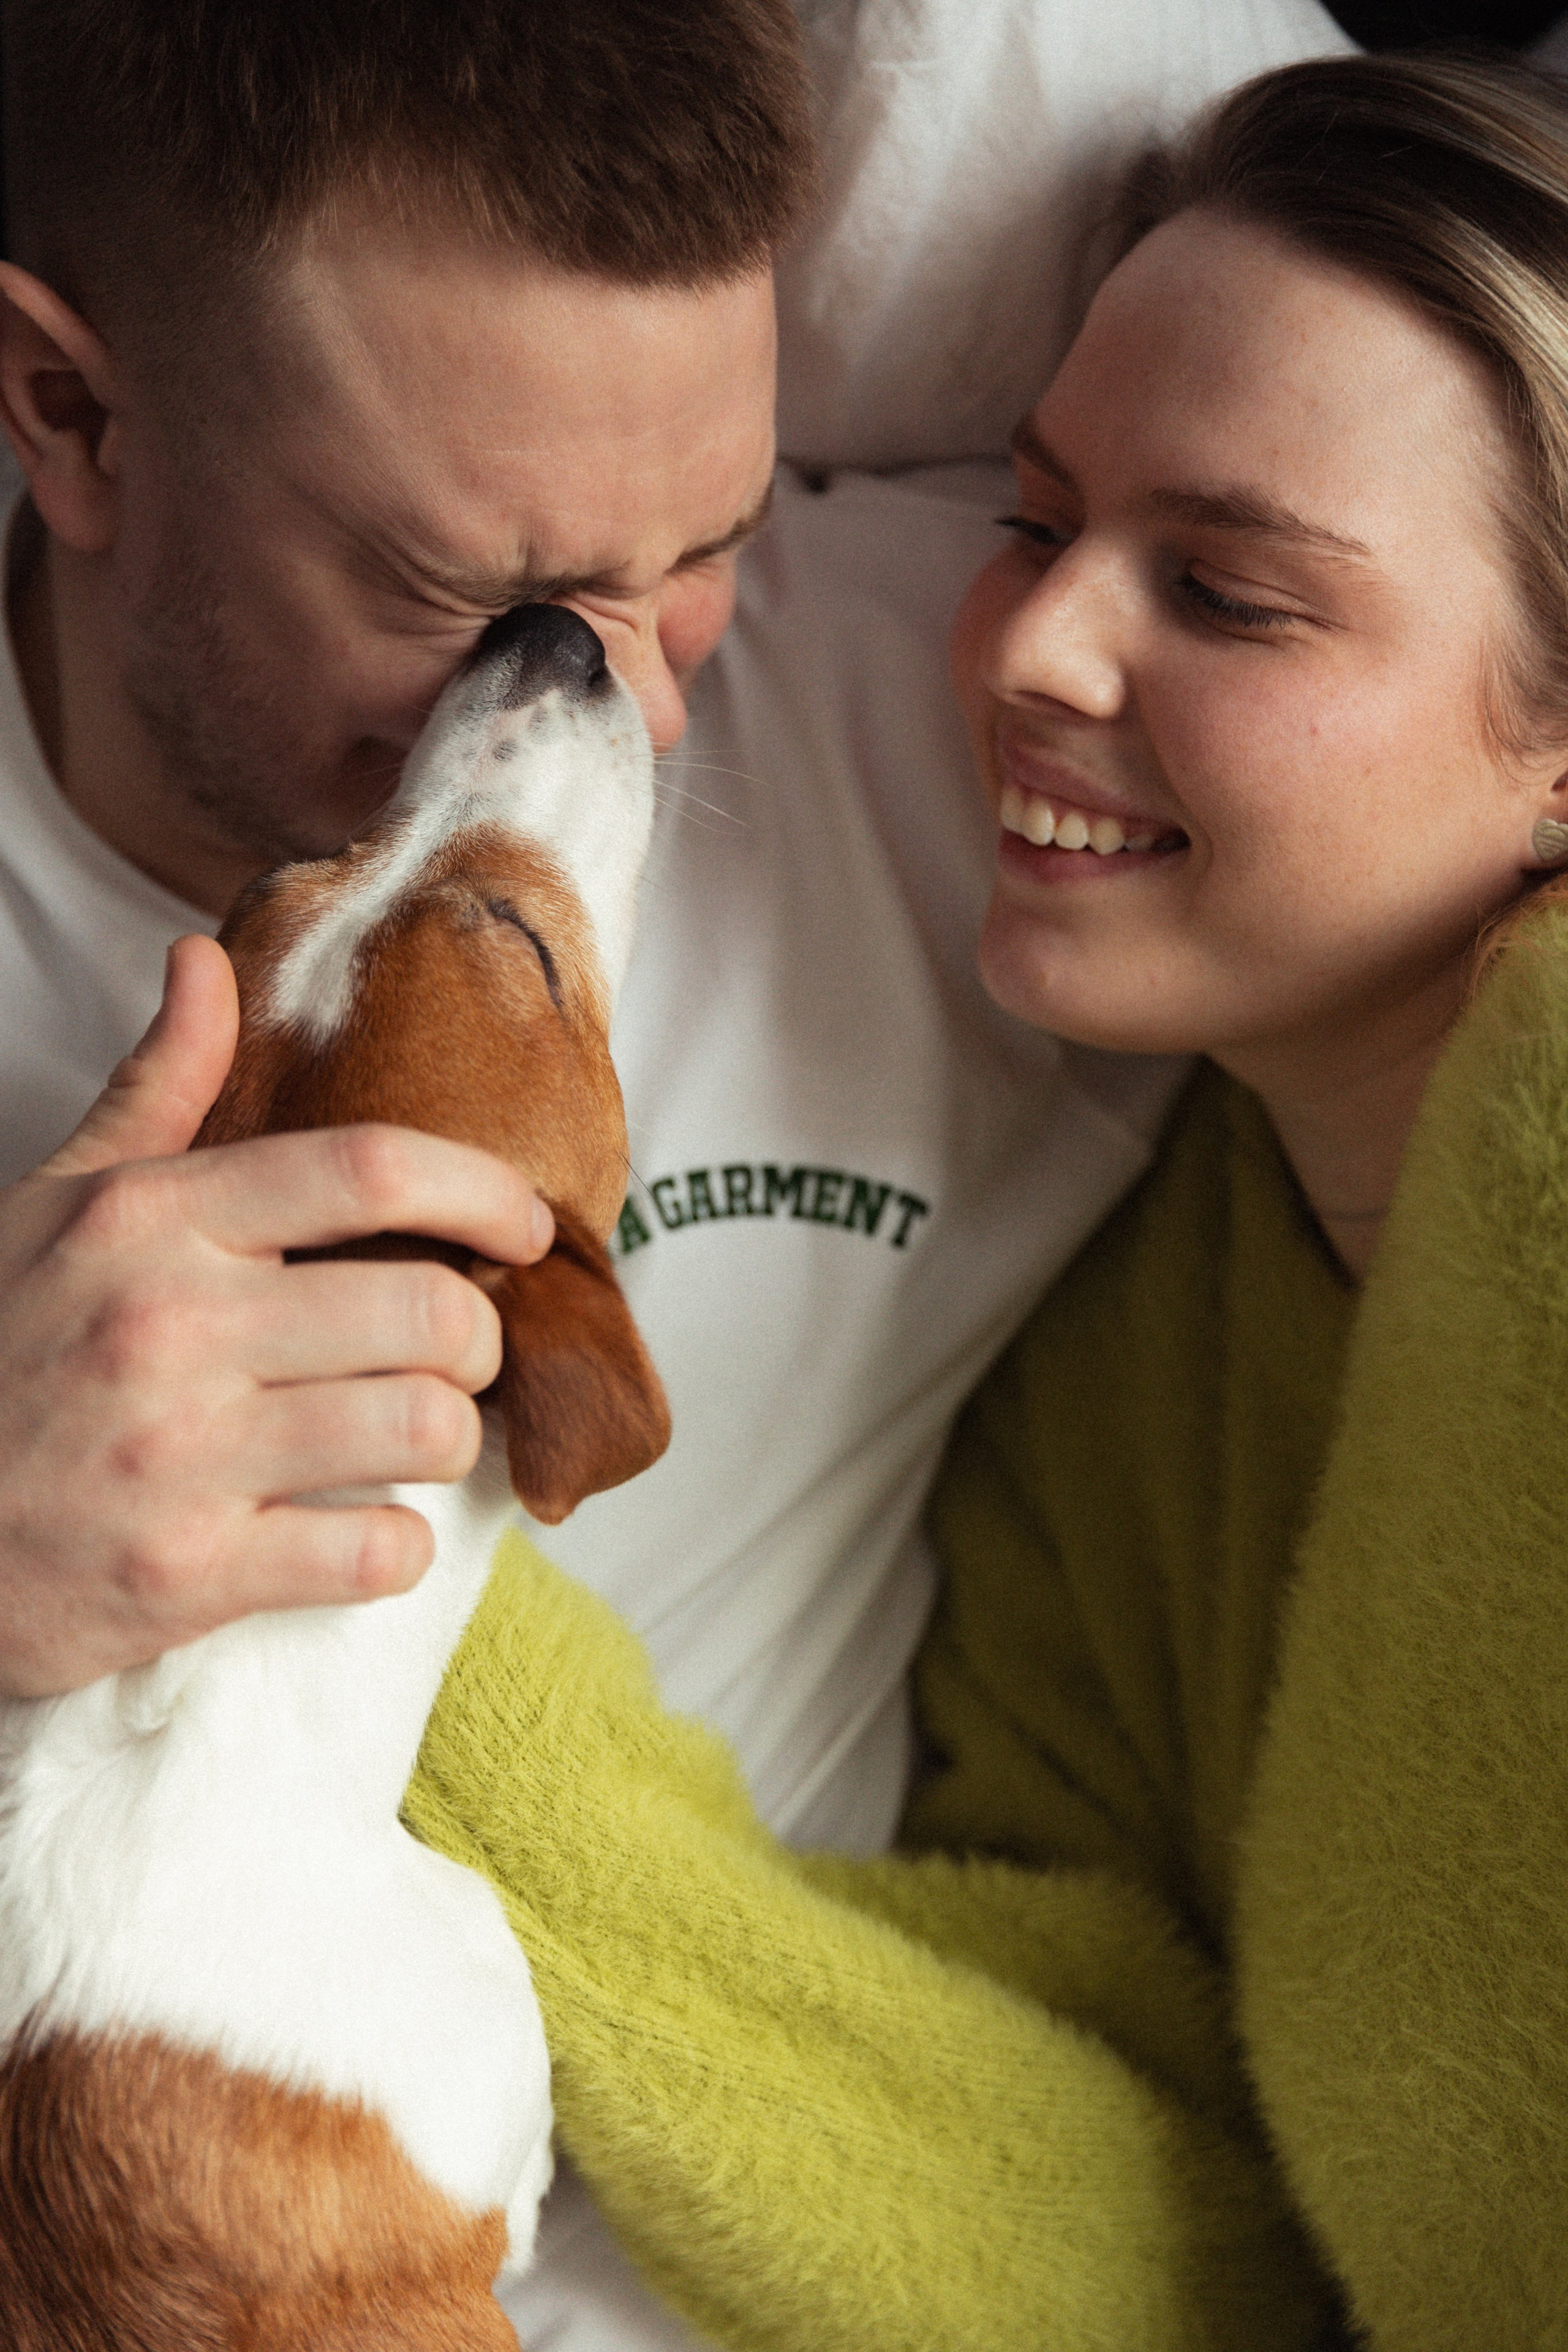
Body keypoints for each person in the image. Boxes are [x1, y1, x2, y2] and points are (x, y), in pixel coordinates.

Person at [0, 2, 1356, 2341]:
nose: (620, 701)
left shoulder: (1021, 736)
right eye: (471, 588)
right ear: (70, 412)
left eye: (704, 547)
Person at [405, 48, 1568, 2351]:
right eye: (1035, 525)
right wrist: (420, 1644)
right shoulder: (1139, 1326)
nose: (1030, 645)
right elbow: (1153, 2193)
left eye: (1227, 591)